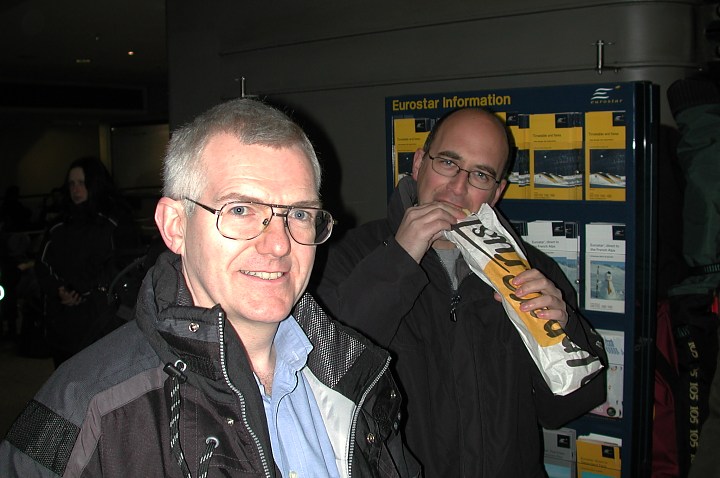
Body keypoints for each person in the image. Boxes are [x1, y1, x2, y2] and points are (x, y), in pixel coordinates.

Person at [0, 98, 419, 478]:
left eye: (300, 214)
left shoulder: (355, 373)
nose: (278, 244)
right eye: (240, 210)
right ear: (175, 227)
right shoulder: (87, 409)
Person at [313, 107, 608, 477]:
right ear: (419, 163)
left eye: (480, 174)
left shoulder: (532, 271)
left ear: (497, 192)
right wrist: (397, 262)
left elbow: (565, 408)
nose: (458, 187)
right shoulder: (347, 257)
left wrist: (563, 332)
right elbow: (324, 378)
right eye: (448, 163)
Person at [35, 156, 137, 367]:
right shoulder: (59, 227)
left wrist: (83, 290)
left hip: (101, 323)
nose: (76, 189)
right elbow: (43, 264)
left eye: (82, 183)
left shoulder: (115, 224)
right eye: (72, 184)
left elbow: (121, 268)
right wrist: (60, 290)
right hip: (64, 324)